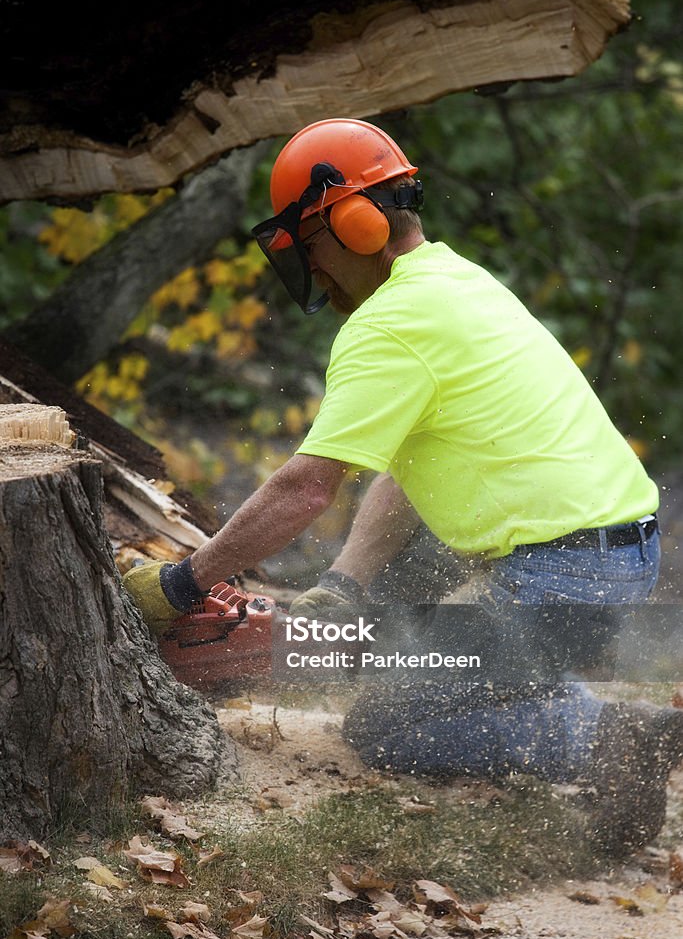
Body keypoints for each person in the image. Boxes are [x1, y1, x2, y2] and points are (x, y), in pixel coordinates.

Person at [124, 117, 683, 857]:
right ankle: (592, 719)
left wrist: (183, 582)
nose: (313, 270)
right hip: (608, 557)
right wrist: (346, 584)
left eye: (311, 245)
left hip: (561, 572)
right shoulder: (454, 278)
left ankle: (602, 740)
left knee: (386, 726)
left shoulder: (389, 324)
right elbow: (407, 457)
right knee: (437, 661)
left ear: (353, 221)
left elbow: (304, 488)